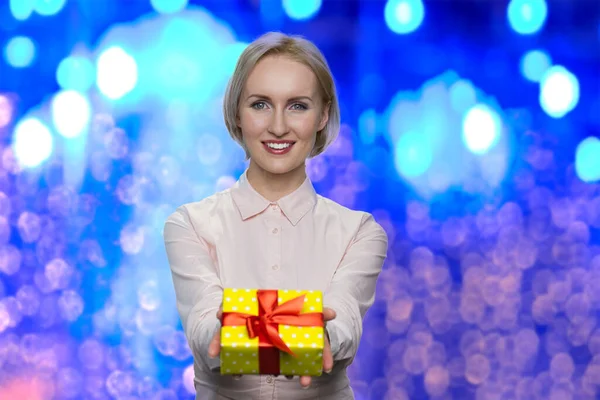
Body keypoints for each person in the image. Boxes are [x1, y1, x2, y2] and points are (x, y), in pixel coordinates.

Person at [163, 31, 388, 400]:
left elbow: (342, 323)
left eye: (298, 105)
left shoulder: (359, 232)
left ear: (323, 115)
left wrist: (247, 328)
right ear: (237, 111)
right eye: (261, 104)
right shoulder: (188, 224)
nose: (279, 126)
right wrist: (302, 336)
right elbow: (207, 334)